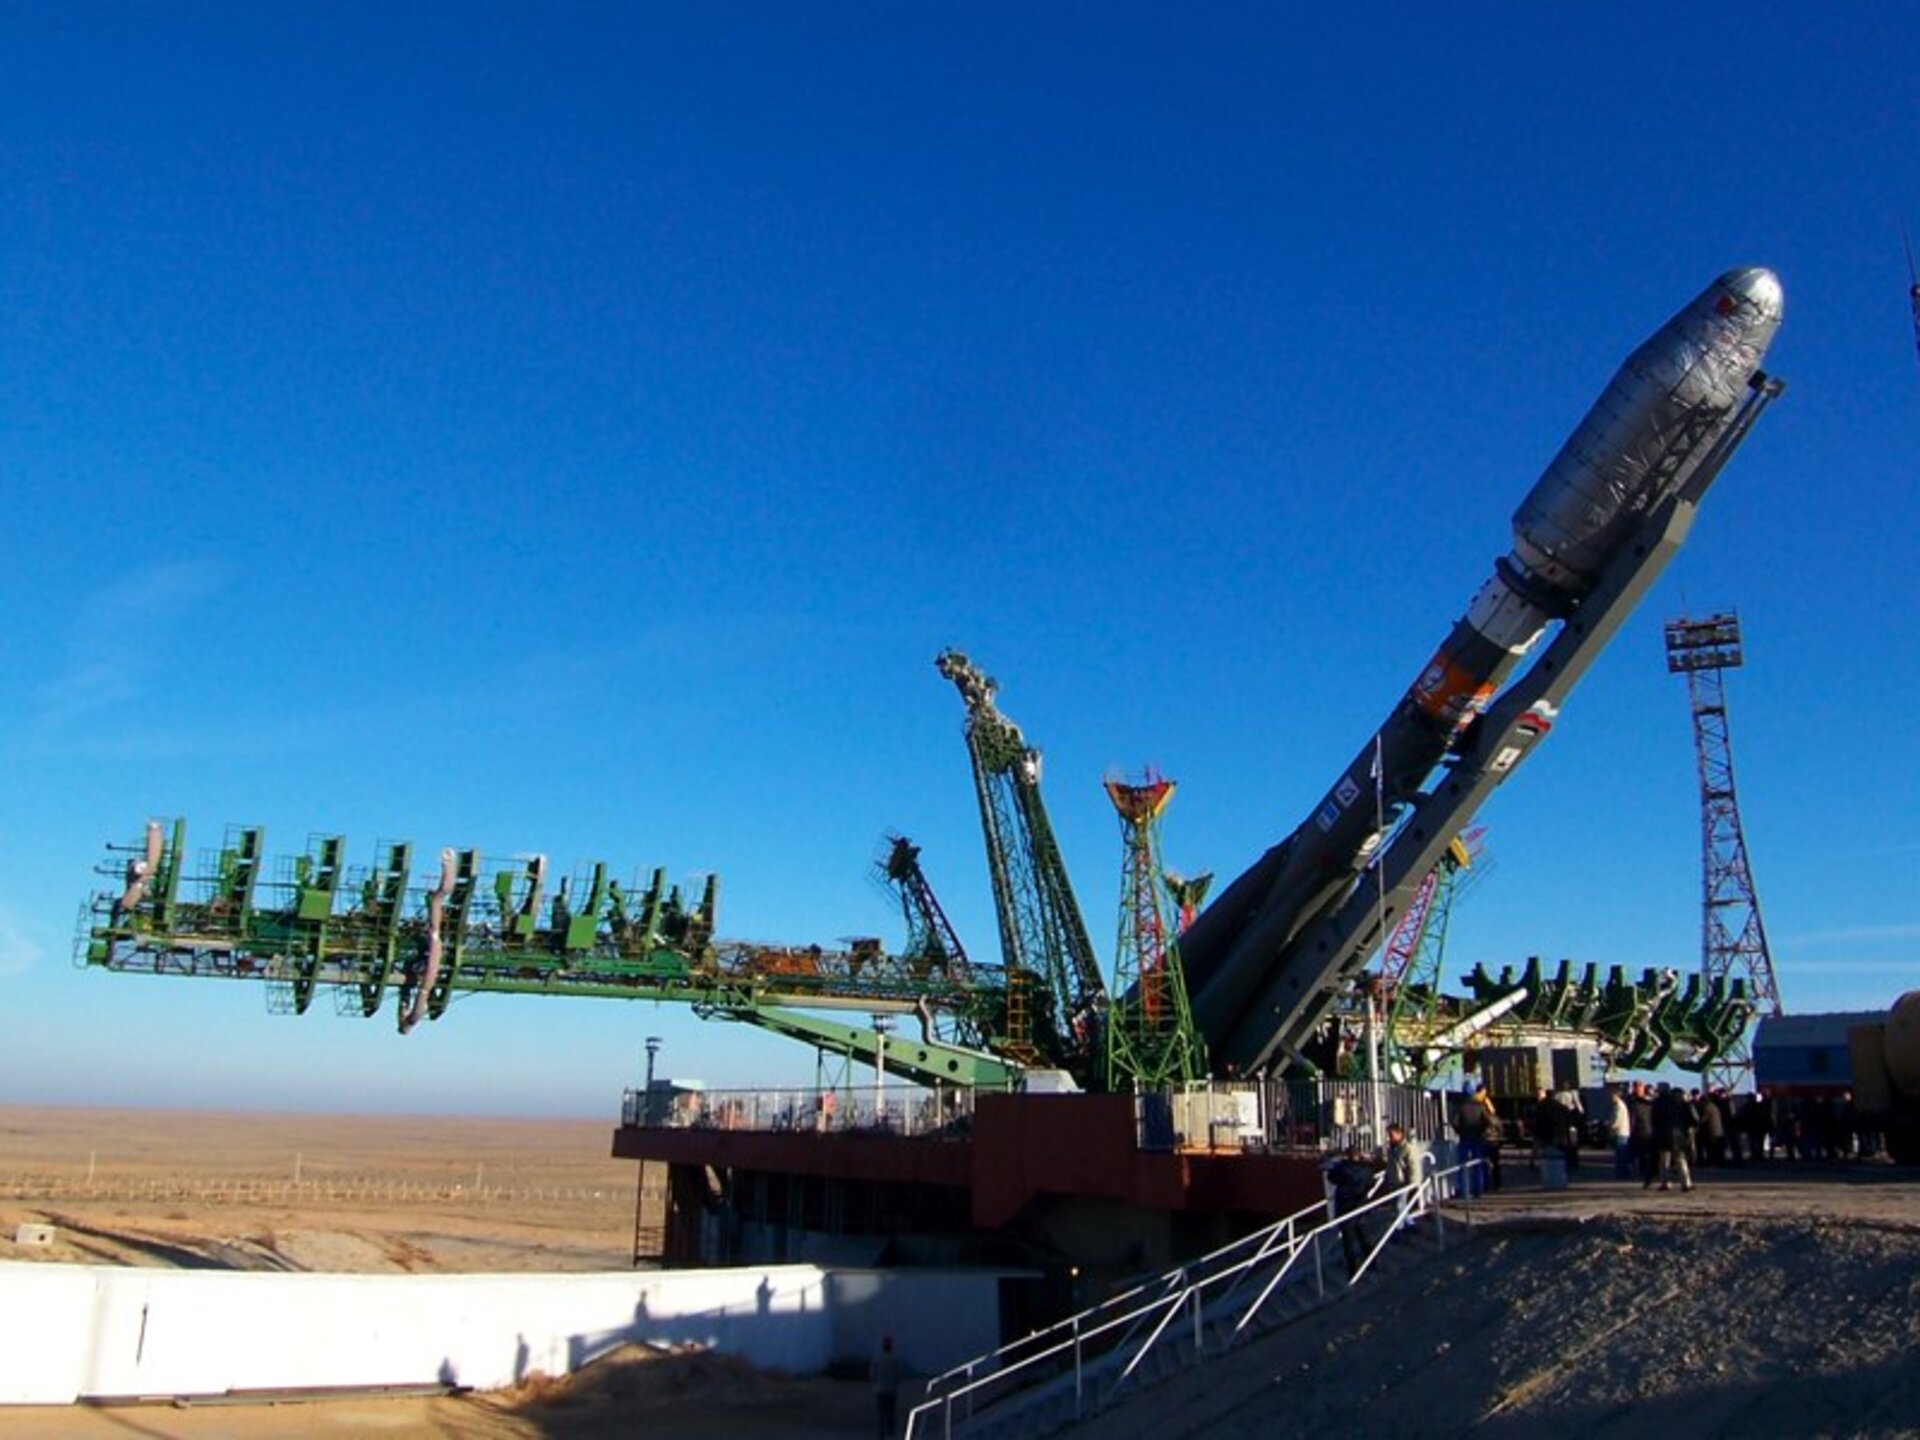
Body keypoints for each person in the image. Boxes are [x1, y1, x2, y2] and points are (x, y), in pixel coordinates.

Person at [1324, 1147, 1382, 1278]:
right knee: (1364, 1235)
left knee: (1348, 1240)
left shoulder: (1342, 1168)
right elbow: (1371, 1183)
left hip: (1345, 1207)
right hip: (1361, 1205)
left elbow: (1331, 1177)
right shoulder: (1366, 1169)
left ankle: (1353, 1269)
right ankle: (1372, 1261)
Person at [870, 1334, 903, 1438]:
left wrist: (875, 1383)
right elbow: (899, 1375)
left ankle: (881, 1432)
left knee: (881, 1412)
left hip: (880, 1389)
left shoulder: (877, 1358)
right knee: (891, 1411)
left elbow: (872, 1374)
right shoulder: (895, 1359)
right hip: (891, 1389)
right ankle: (890, 1431)